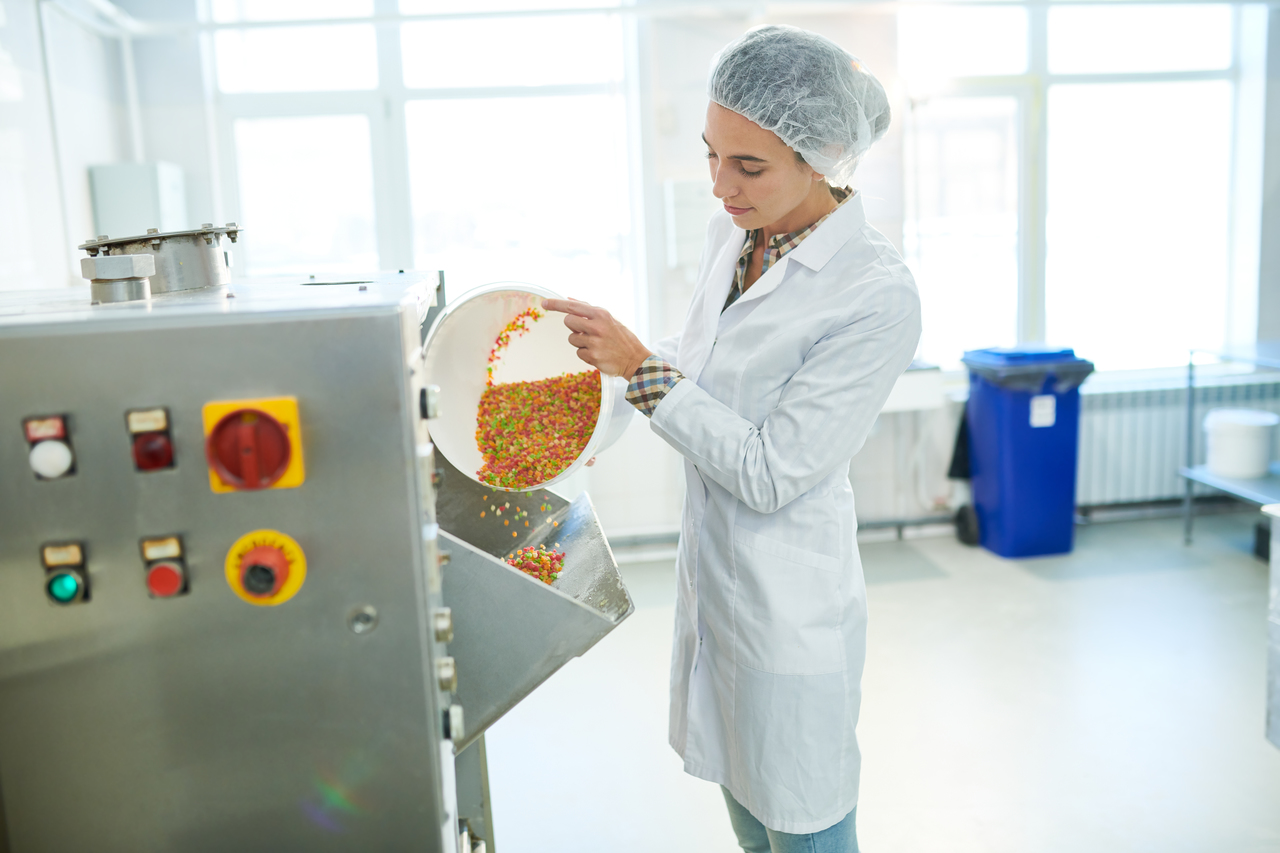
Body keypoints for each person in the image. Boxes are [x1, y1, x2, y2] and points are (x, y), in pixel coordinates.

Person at [544, 24, 920, 853]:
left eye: (748, 166)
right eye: (713, 154)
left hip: (790, 606)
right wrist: (590, 398)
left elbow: (772, 469)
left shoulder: (875, 295)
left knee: (805, 823)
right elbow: (704, 365)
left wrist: (643, 372)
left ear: (819, 160)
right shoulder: (737, 236)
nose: (720, 185)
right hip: (719, 585)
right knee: (750, 819)